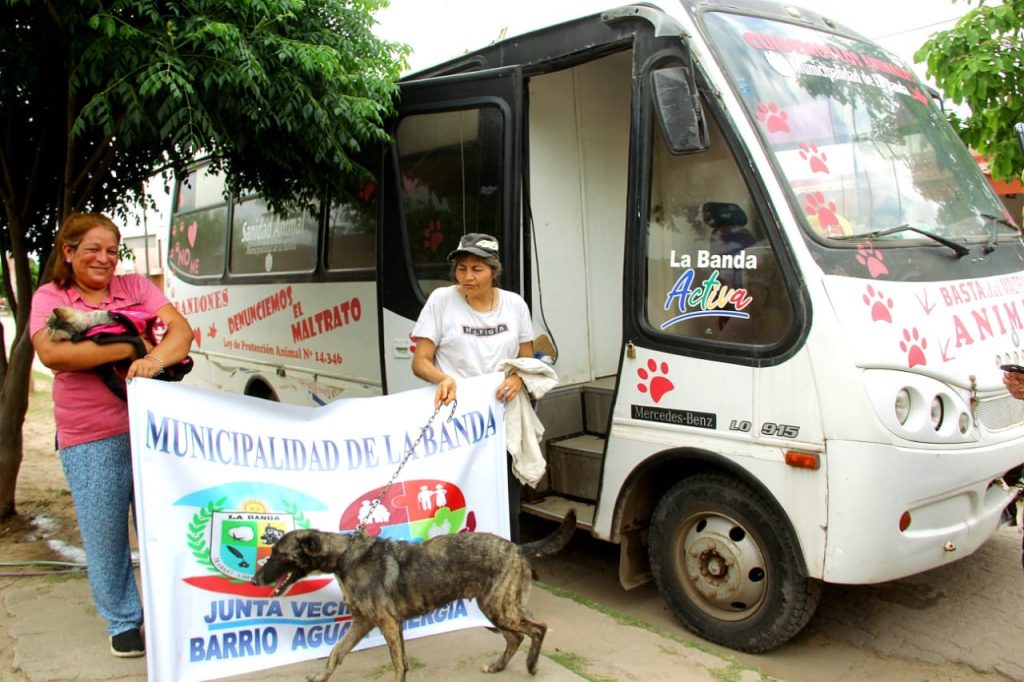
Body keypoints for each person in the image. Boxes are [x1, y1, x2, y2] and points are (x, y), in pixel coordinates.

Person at [29, 212, 194, 658]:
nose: (104, 259)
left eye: (111, 250)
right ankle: (123, 621)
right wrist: (132, 346)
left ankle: (171, 613)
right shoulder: (51, 296)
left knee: (163, 525)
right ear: (68, 252)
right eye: (92, 250)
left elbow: (181, 332)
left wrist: (155, 361)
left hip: (149, 430)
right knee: (105, 534)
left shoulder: (136, 288)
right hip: (90, 435)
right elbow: (53, 353)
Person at [411, 233, 535, 541]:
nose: (467, 276)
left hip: (503, 420)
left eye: (477, 269)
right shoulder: (441, 301)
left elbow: (528, 360)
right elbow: (420, 361)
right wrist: (443, 378)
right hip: (458, 421)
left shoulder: (515, 305)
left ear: (494, 271)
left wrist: (517, 378)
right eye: (461, 268)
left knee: (504, 496)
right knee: (458, 496)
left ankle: (508, 565)